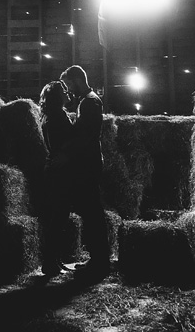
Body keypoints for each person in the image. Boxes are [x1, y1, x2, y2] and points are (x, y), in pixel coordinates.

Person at [59, 65, 111, 281]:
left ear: (78, 80)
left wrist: (67, 154)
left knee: (92, 211)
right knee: (91, 210)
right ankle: (98, 258)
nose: (68, 89)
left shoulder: (89, 101)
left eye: (69, 84)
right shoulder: (87, 100)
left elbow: (87, 136)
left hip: (88, 163)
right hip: (89, 161)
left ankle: (99, 260)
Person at [38, 80, 76, 277]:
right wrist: (66, 152)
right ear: (56, 95)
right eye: (63, 90)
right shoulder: (58, 115)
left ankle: (54, 260)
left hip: (54, 168)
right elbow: (63, 142)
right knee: (58, 218)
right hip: (59, 170)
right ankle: (50, 263)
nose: (67, 92)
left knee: (57, 217)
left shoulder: (49, 115)